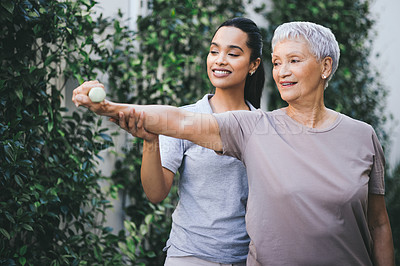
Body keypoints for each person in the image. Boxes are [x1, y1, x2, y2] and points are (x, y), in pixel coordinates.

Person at [73, 21, 394, 265]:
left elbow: (377, 221)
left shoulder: (358, 135)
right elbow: (176, 122)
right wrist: (111, 109)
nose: (282, 71)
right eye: (278, 62)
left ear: (325, 67)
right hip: (193, 254)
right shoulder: (252, 127)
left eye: (293, 60)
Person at [92, 17, 263, 265]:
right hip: (189, 255)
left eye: (233, 54)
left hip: (246, 258)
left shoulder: (262, 124)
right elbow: (155, 193)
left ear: (253, 64)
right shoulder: (181, 120)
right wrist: (151, 142)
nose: (220, 60)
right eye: (214, 51)